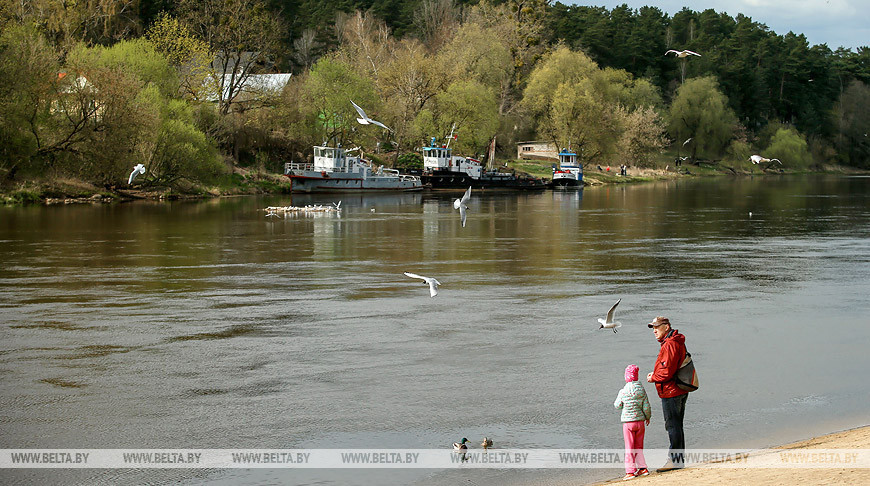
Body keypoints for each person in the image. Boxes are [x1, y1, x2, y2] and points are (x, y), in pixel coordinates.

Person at [646, 316, 689, 472]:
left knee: (672, 426)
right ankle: (678, 461)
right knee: (676, 426)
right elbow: (669, 367)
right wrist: (658, 372)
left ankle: (674, 461)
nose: (654, 330)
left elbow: (667, 372)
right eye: (653, 328)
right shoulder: (674, 341)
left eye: (657, 327)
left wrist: (653, 377)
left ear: (666, 327)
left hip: (672, 390)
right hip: (678, 388)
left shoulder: (670, 344)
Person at [614, 364, 651, 480]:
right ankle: (643, 468)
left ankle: (630, 471)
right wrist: (647, 417)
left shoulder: (623, 391)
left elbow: (617, 405)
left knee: (629, 447)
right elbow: (646, 406)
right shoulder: (641, 390)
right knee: (639, 446)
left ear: (627, 377)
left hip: (628, 423)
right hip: (640, 422)